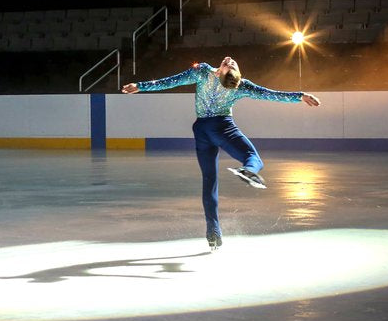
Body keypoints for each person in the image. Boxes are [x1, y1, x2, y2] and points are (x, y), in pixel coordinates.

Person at [121, 56, 320, 251]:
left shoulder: (204, 73)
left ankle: (213, 232)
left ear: (224, 73)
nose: (229, 60)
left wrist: (141, 85)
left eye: (229, 64)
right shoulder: (238, 84)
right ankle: (248, 171)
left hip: (202, 130)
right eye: (229, 62)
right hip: (222, 128)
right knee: (252, 157)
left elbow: (172, 81)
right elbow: (271, 94)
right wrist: (300, 96)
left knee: (210, 181)